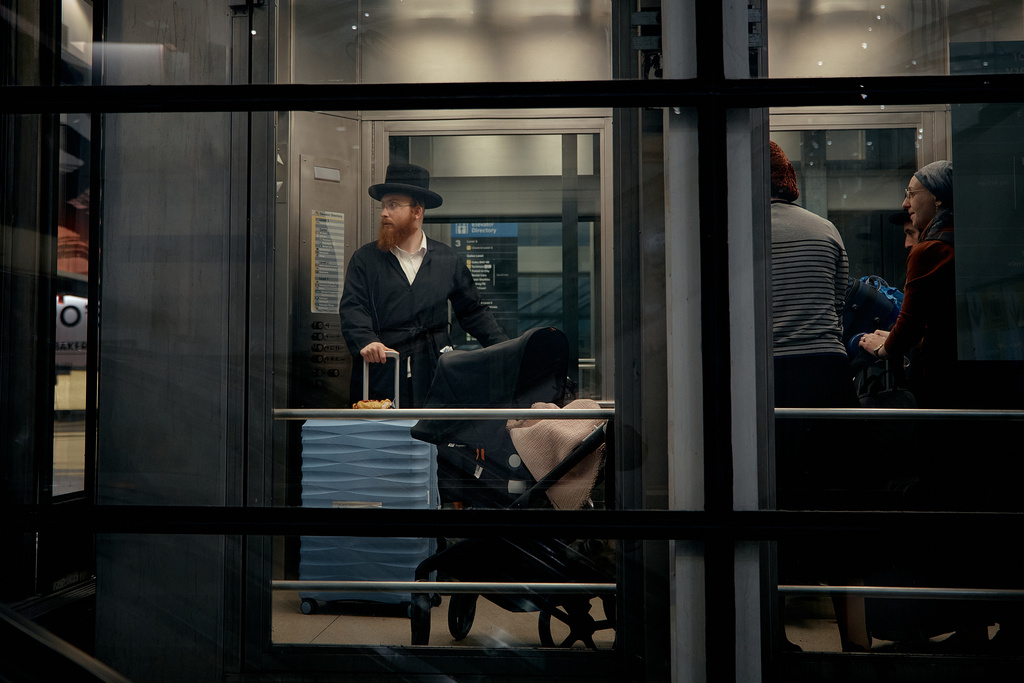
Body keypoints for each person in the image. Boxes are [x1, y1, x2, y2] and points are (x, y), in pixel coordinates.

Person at [339, 162, 509, 408]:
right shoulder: (365, 259)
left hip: (432, 374)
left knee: (433, 430)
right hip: (382, 371)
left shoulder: (447, 259)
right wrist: (366, 340)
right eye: (383, 205)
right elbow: (353, 307)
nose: (384, 213)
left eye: (393, 205)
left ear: (417, 211)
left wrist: (506, 350)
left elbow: (473, 312)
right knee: (380, 431)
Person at [858, 161, 956, 408]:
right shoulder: (965, 241)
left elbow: (911, 325)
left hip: (942, 374)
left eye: (911, 194)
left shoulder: (930, 250)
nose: (905, 203)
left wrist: (883, 349)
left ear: (937, 197)